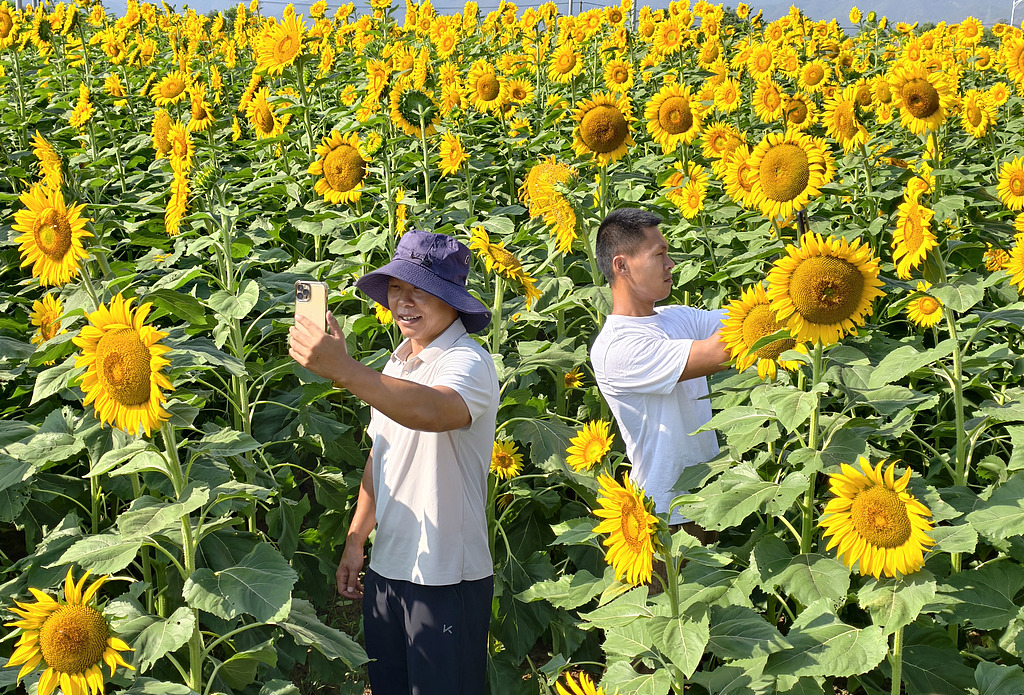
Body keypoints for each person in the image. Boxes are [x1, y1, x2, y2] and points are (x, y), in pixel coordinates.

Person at [289, 229, 499, 695]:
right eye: (397, 289)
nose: (404, 301)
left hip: (446, 576)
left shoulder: (469, 362)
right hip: (389, 569)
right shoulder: (396, 364)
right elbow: (380, 454)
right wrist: (356, 537)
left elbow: (433, 411)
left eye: (420, 291)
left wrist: (344, 370)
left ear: (452, 301)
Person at [589, 208, 730, 538]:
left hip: (709, 499)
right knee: (672, 591)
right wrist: (791, 292)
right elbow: (721, 350)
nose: (671, 265)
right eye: (660, 255)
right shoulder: (616, 348)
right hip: (664, 516)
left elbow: (736, 319)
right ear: (621, 265)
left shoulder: (675, 317)